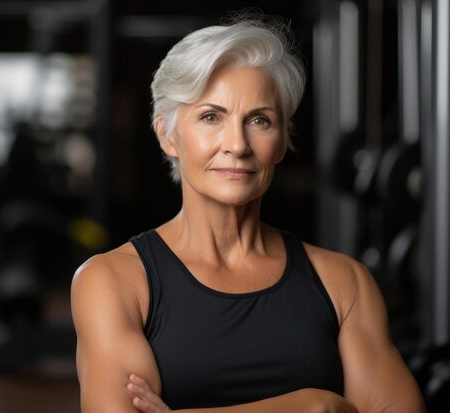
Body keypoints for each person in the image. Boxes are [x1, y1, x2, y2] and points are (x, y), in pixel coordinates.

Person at [71, 13, 426, 413]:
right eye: (211, 117)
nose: (237, 144)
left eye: (259, 120)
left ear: (283, 138)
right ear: (167, 135)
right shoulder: (113, 281)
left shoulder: (344, 282)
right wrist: (311, 405)